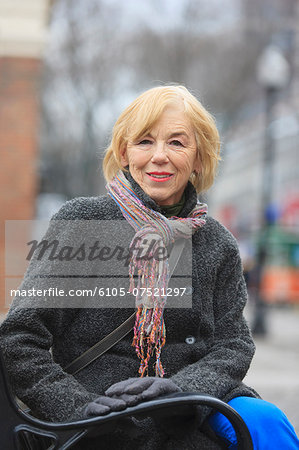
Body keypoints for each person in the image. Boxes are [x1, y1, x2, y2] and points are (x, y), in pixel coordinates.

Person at [0, 85, 298, 450]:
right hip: (102, 413)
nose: (159, 156)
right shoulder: (83, 223)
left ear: (199, 159)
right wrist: (78, 408)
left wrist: (184, 392)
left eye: (177, 143)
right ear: (124, 154)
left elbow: (233, 344)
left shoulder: (217, 242)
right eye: (144, 142)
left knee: (268, 424)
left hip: (191, 407)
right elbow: (19, 339)